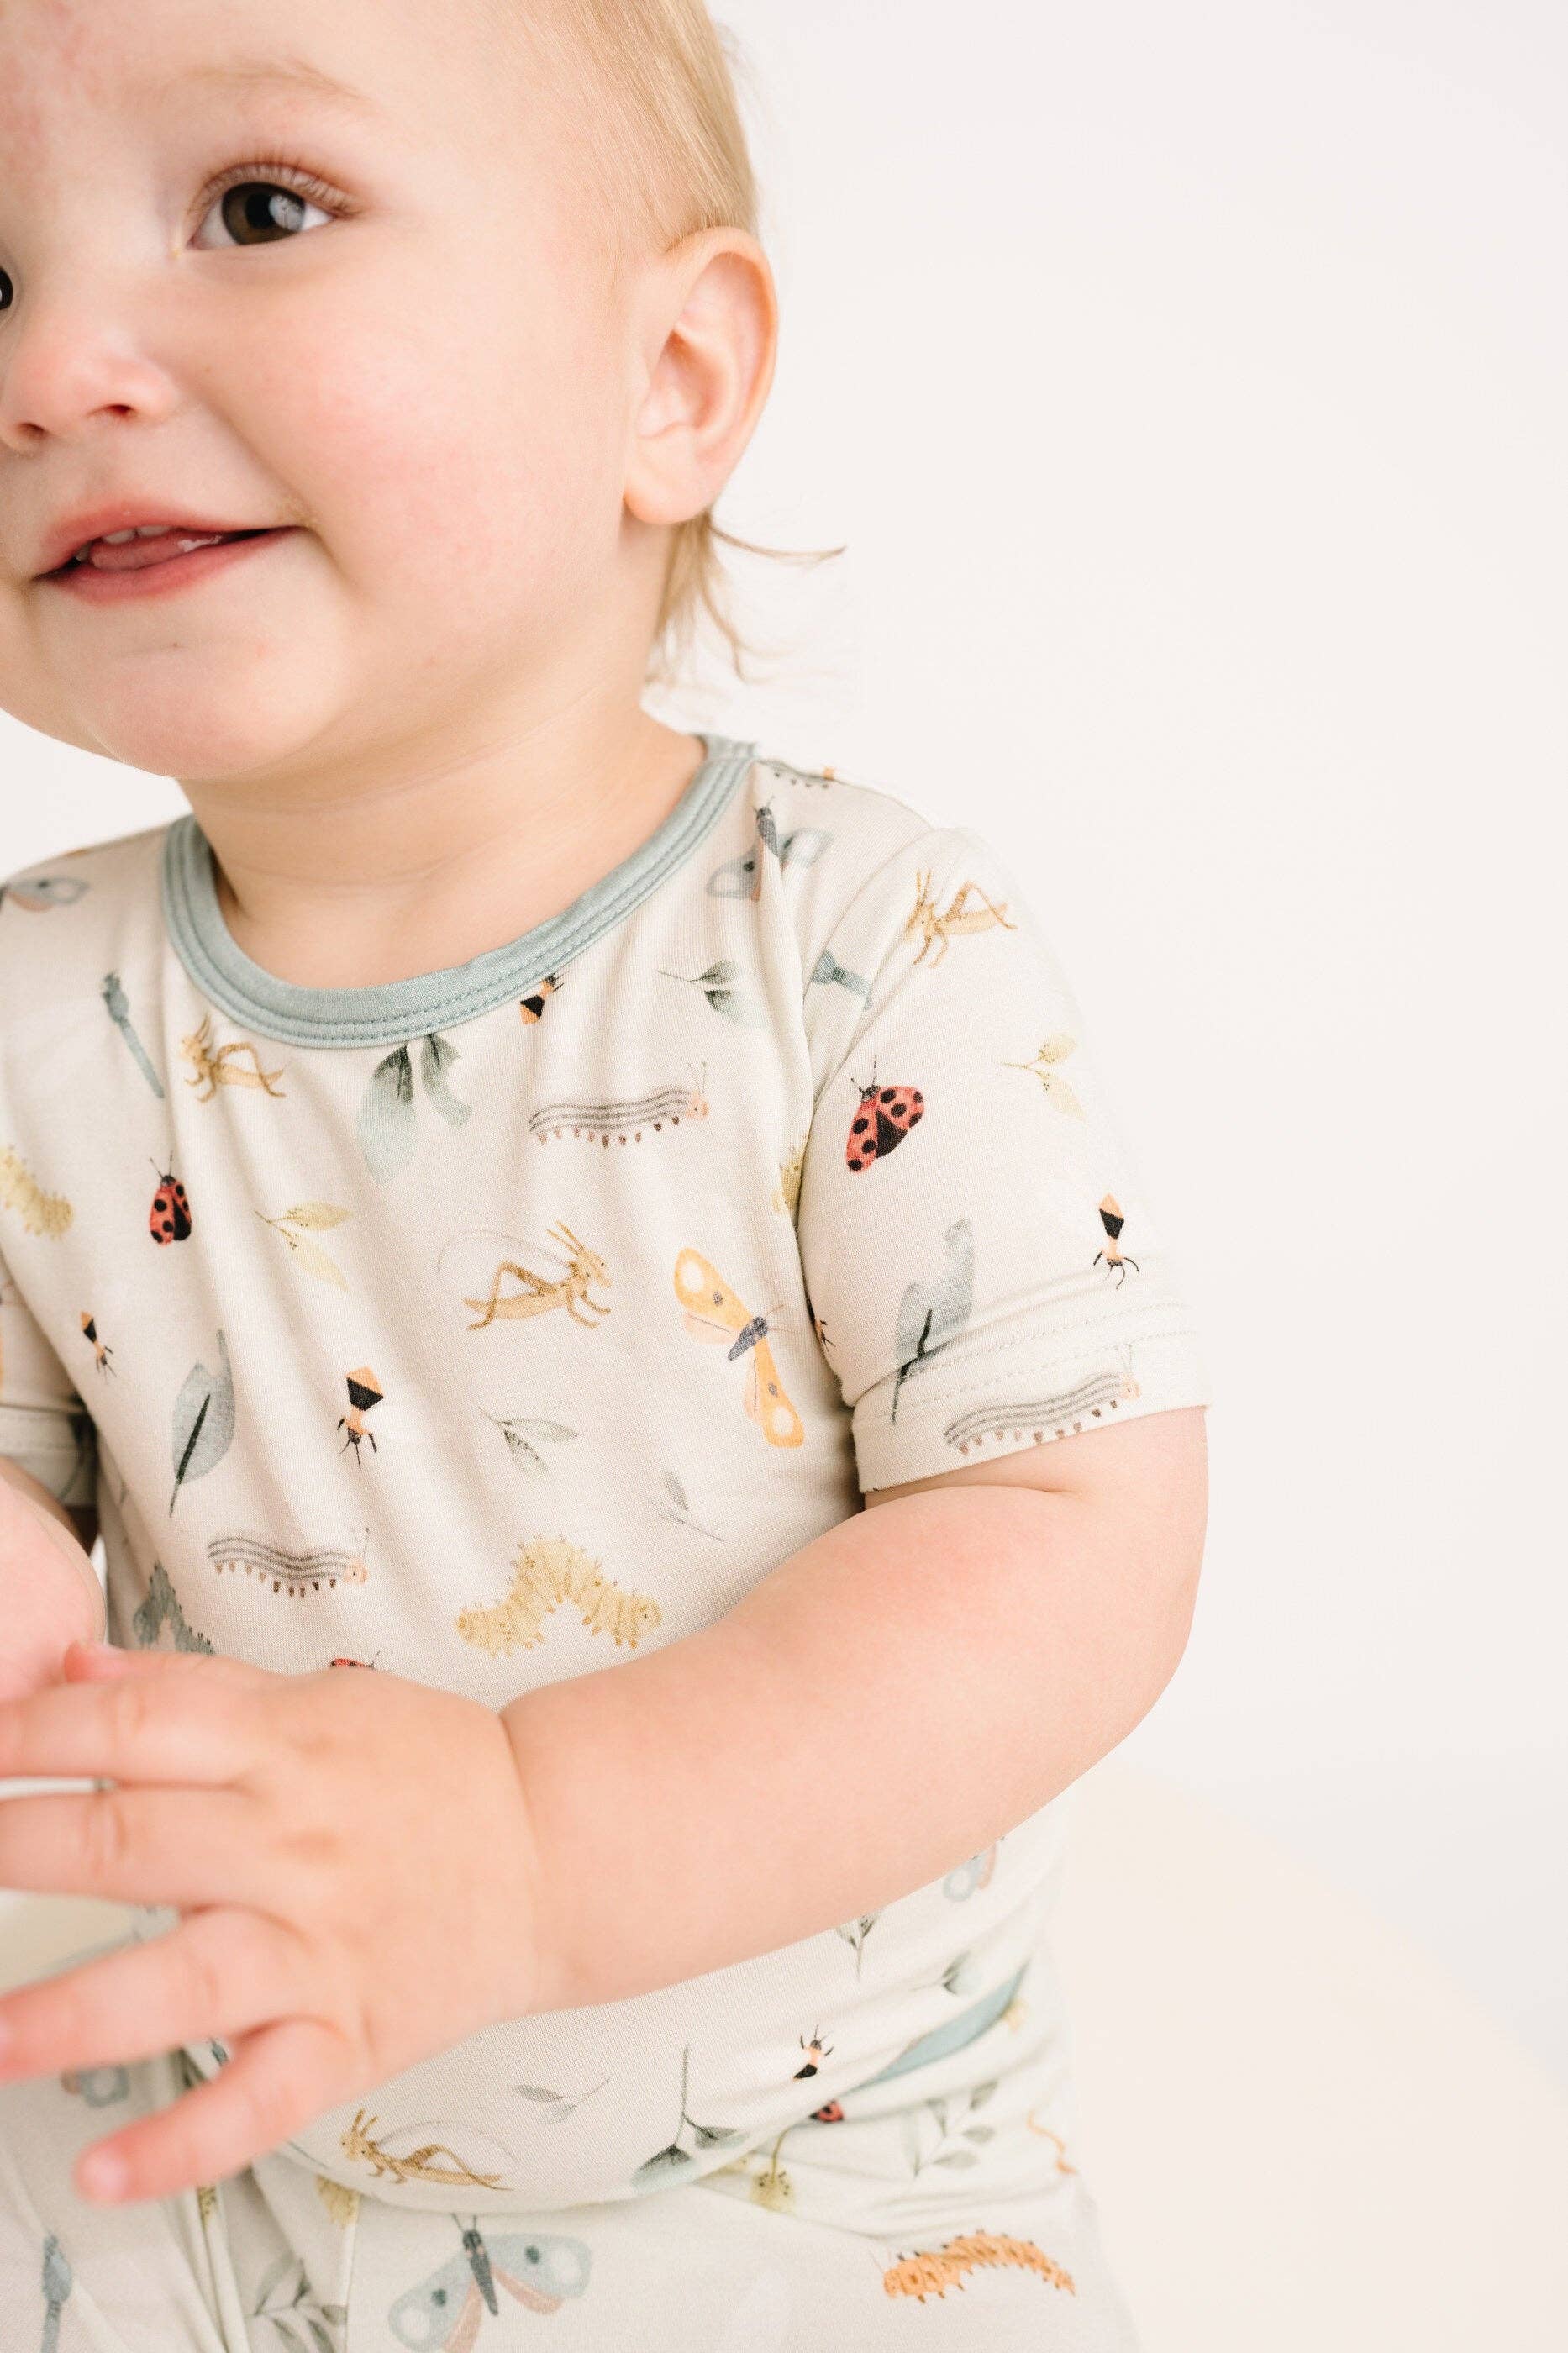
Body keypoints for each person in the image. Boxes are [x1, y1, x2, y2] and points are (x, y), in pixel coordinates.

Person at [0, 2, 1213, 2343]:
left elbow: (1068, 1535)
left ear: (669, 376)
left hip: (799, 2160)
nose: (53, 367)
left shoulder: (857, 949)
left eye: (260, 211)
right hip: (190, 2081)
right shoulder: (31, 1007)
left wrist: (537, 1851)